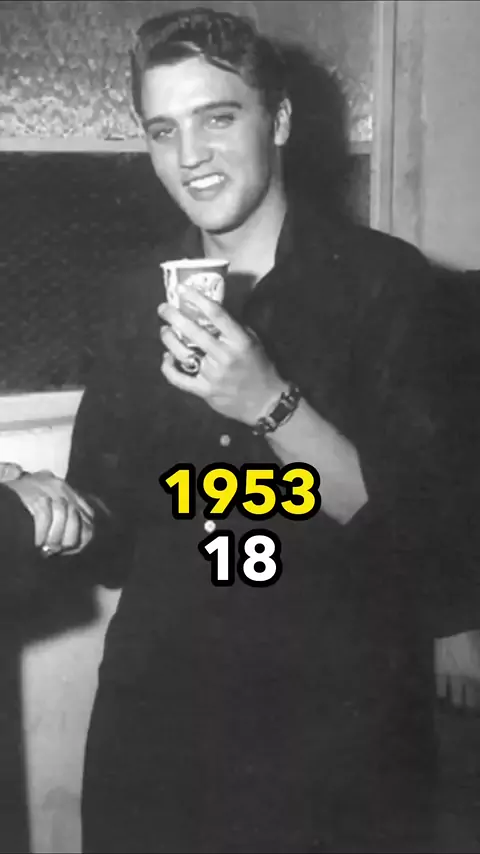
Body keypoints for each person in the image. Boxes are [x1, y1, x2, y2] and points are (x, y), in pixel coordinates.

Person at [43, 7, 474, 852]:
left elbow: (425, 536)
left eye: (217, 117)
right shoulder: (134, 301)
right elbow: (111, 534)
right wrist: (47, 505)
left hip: (335, 731)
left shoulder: (386, 283)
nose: (190, 156)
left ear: (277, 120)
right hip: (159, 725)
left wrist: (270, 402)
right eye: (163, 130)